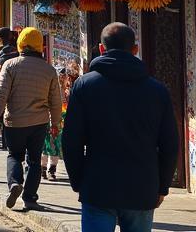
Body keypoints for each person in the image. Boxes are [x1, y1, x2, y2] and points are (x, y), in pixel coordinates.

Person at [62, 22, 178, 232]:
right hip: (142, 186)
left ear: (101, 49)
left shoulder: (85, 86)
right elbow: (170, 144)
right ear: (135, 50)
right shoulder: (157, 91)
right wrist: (162, 186)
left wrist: (79, 181)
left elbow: (71, 140)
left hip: (97, 185)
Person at [0, 26, 62, 213]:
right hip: (39, 122)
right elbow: (55, 100)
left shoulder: (11, 65)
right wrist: (56, 123)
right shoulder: (49, 70)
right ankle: (29, 197)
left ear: (20, 43)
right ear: (40, 46)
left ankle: (14, 183)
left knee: (14, 155)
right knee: (35, 160)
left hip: (14, 121)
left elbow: (1, 93)